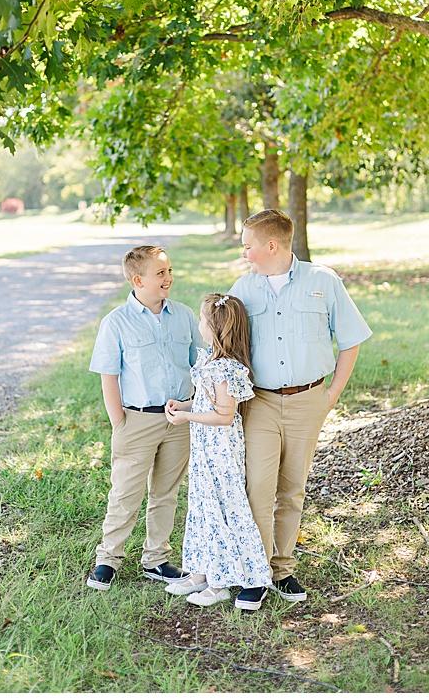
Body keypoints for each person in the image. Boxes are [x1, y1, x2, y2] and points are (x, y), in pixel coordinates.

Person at [229, 209, 372, 609]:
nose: (245, 253)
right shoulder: (243, 287)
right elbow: (227, 345)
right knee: (258, 486)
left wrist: (331, 396)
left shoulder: (322, 281)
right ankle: (254, 574)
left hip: (309, 399)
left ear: (270, 245)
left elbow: (350, 339)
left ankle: (282, 569)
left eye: (248, 246)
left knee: (291, 489)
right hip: (258, 402)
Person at [86, 245, 202, 591]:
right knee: (125, 493)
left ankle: (156, 559)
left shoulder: (183, 316)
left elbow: (199, 363)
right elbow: (108, 375)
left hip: (179, 418)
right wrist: (118, 421)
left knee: (166, 492)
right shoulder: (116, 322)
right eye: (161, 273)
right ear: (138, 280)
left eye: (169, 271)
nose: (169, 278)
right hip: (136, 419)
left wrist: (192, 406)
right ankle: (108, 558)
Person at [163, 293, 272, 609]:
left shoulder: (224, 369)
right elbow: (206, 402)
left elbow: (224, 415)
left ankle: (222, 581)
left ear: (215, 328)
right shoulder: (210, 359)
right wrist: (184, 405)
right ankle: (200, 572)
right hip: (204, 450)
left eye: (202, 319)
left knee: (218, 509)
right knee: (200, 506)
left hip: (220, 453)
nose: (199, 324)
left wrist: (186, 417)